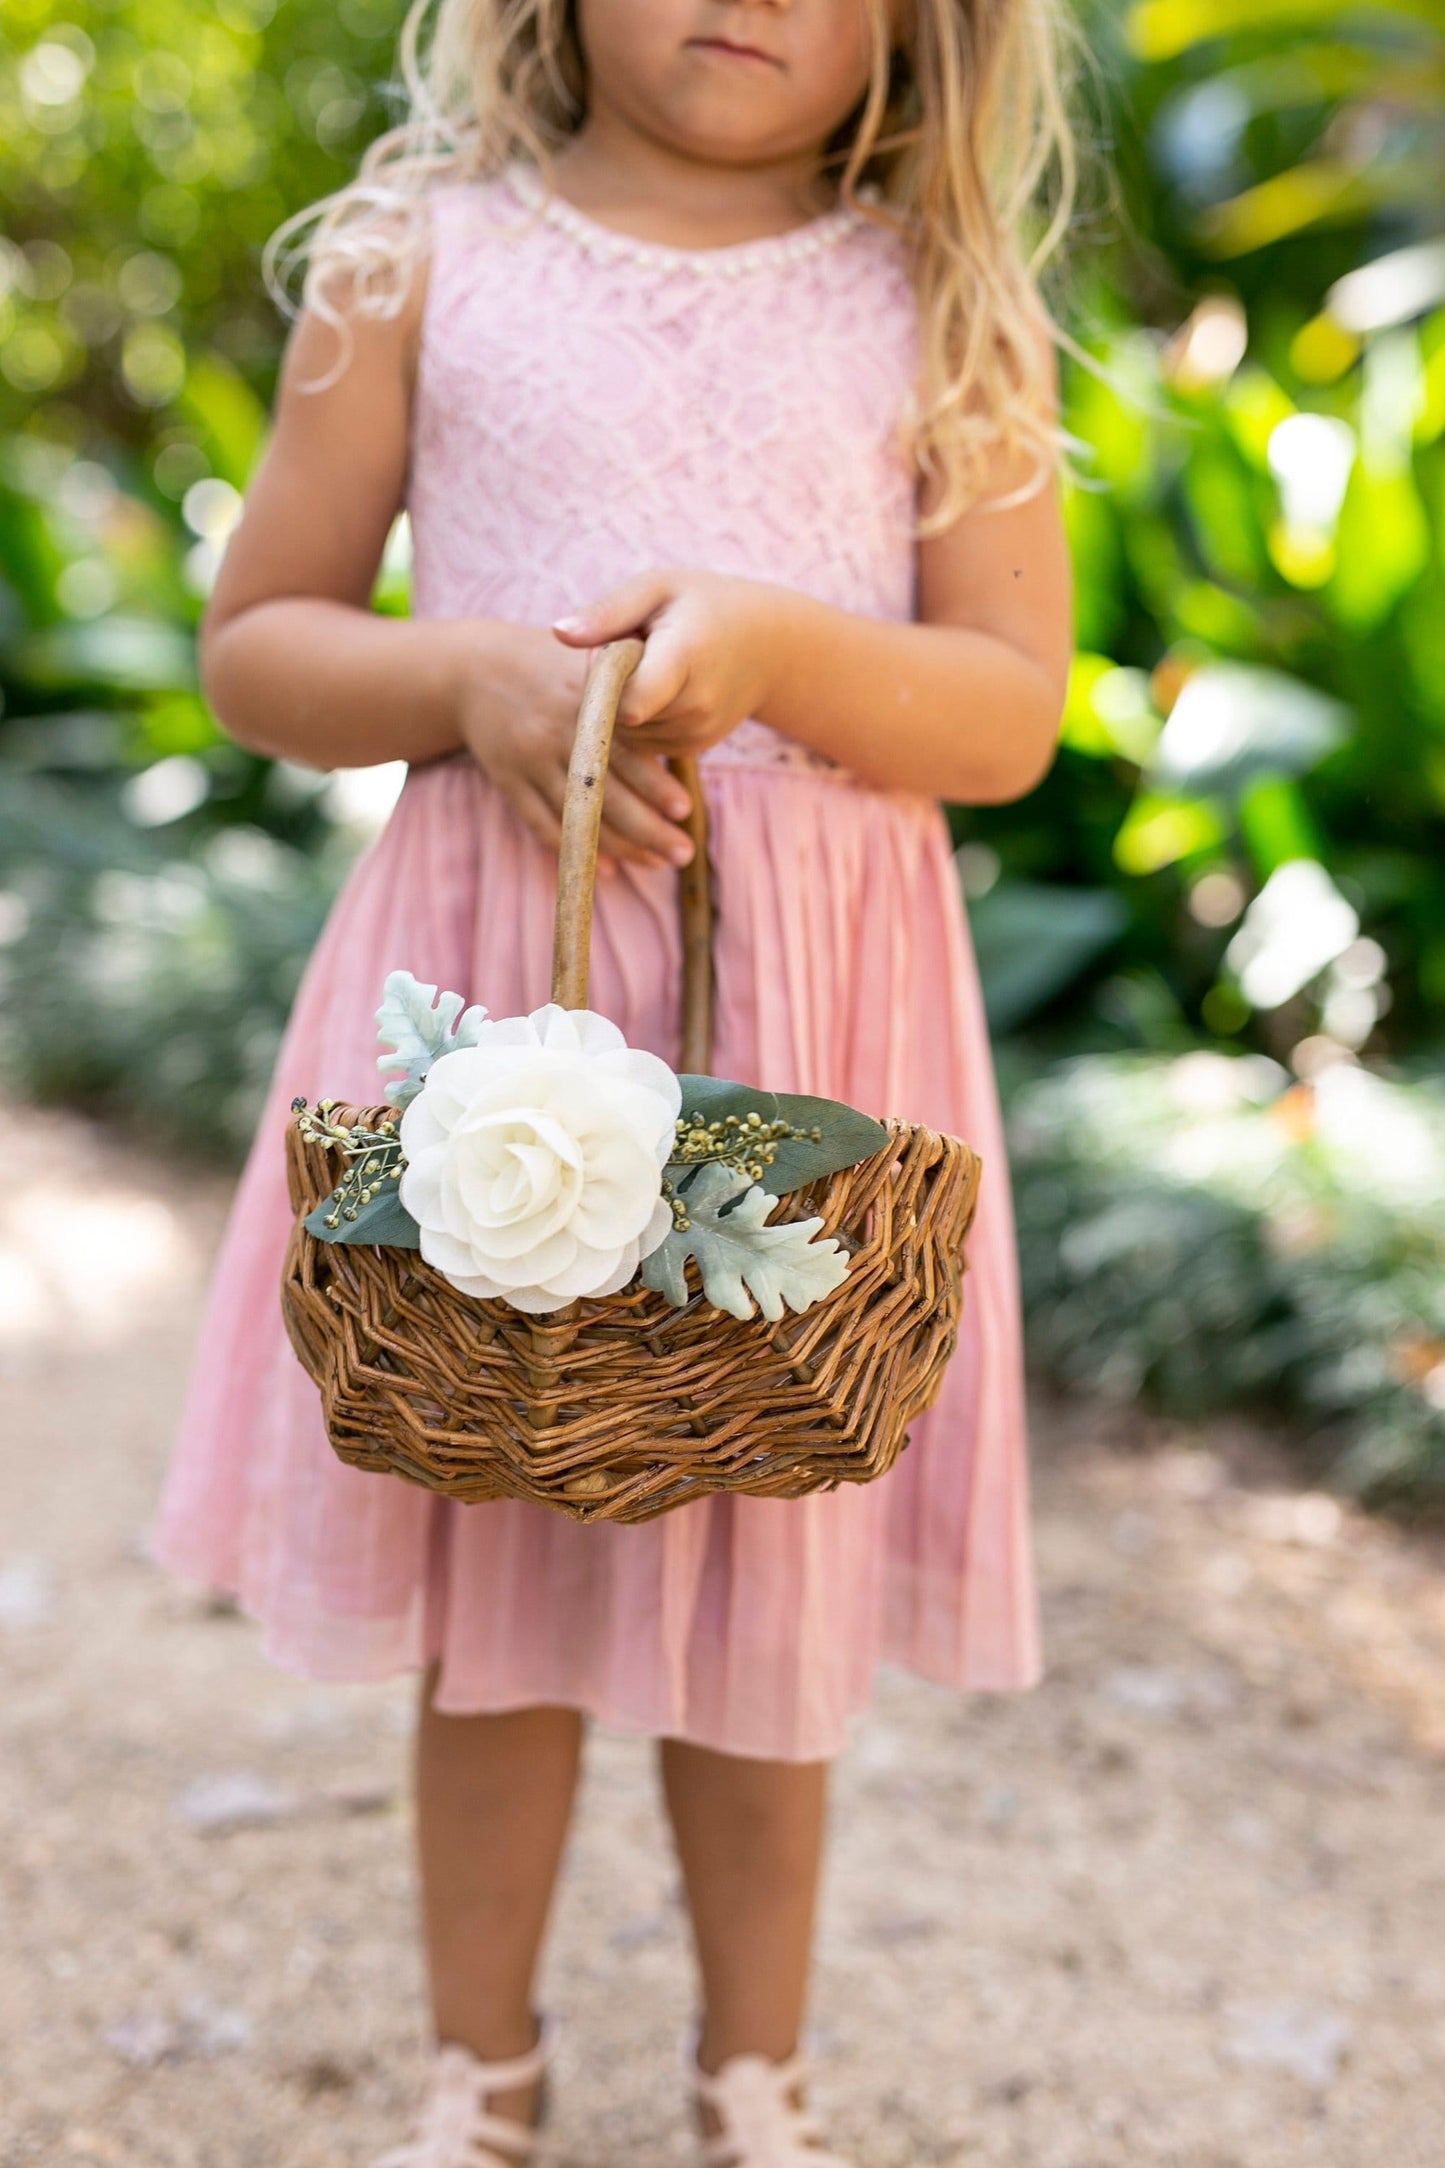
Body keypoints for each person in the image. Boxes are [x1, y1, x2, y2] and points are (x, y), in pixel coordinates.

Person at [154, 0, 1076, 2159]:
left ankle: (754, 2075)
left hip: (808, 1045)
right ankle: (483, 2072)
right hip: (512, 1026)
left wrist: (776, 652)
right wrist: (466, 676)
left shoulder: (939, 299)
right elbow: (259, 639)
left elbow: (1009, 706)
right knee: (501, 1567)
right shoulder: (417, 260)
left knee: (772, 1556)